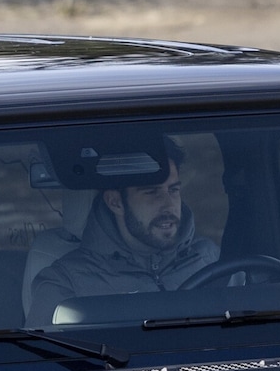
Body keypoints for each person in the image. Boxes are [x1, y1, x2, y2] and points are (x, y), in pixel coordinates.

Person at [30, 137, 219, 322]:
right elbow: (45, 351)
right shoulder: (66, 283)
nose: (169, 205)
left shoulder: (210, 259)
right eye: (151, 192)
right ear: (115, 202)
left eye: (174, 190)